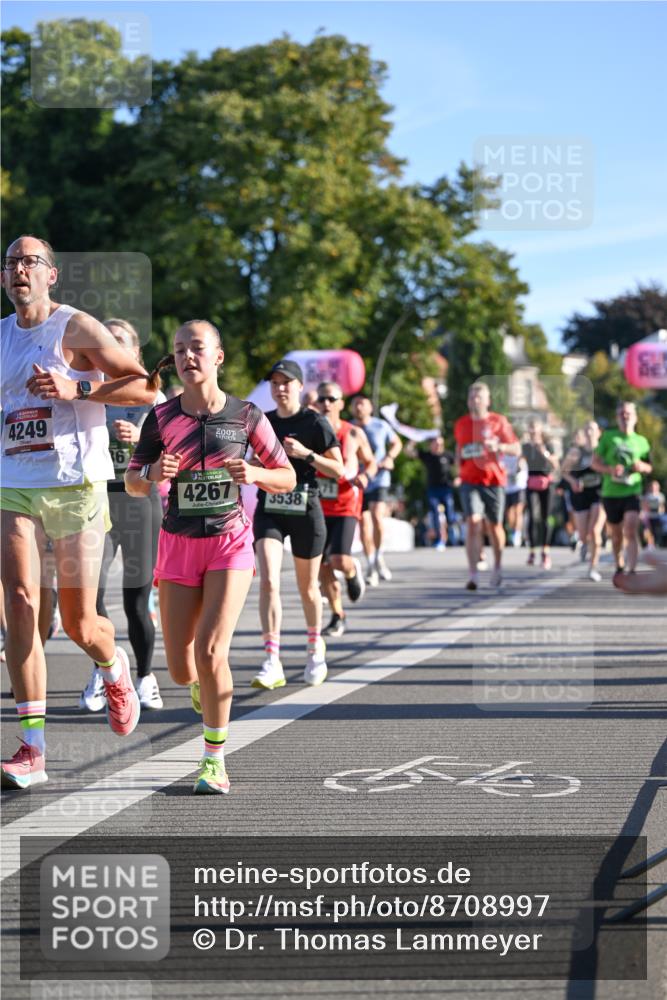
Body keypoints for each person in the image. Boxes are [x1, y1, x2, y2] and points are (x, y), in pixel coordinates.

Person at [0, 234, 156, 790]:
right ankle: (32, 748)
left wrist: (78, 384)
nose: (20, 268)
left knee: (80, 623)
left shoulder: (76, 327)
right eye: (12, 261)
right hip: (14, 484)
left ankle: (113, 668)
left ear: (51, 275)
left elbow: (144, 388)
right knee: (19, 604)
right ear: (3, 277)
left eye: (31, 261)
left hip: (75, 486)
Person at [126, 321, 294, 794]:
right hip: (178, 544)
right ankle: (201, 683)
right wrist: (153, 471)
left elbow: (288, 478)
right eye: (179, 350)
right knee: (181, 668)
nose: (187, 357)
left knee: (211, 651)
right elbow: (133, 481)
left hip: (230, 542)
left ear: (218, 356)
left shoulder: (247, 416)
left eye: (197, 348)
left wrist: (257, 473)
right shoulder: (160, 419)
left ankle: (213, 760)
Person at [79, 318, 166, 714]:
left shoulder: (153, 397)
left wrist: (143, 442)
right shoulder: (89, 391)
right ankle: (107, 670)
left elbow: (178, 455)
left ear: (135, 353)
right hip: (96, 502)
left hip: (138, 503)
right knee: (90, 599)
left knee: (136, 601)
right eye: (105, 341)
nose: (110, 347)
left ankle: (146, 677)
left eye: (119, 341)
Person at [252, 361, 343, 690]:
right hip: (271, 509)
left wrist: (306, 454)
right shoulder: (264, 422)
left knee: (307, 588)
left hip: (306, 508)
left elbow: (339, 470)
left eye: (286, 382)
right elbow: (252, 461)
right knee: (269, 581)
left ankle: (314, 648)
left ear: (300, 387)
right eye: (274, 383)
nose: (279, 388)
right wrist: (251, 466)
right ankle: (271, 659)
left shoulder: (315, 422)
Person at [315, 381, 377, 637]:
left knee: (338, 559)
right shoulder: (310, 431)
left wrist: (366, 476)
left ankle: (352, 571)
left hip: (345, 504)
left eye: (331, 399)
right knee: (321, 565)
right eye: (322, 399)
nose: (326, 403)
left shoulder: (353, 433)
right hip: (316, 504)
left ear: (341, 403)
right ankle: (338, 614)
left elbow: (370, 462)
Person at [453, 381, 520, 590]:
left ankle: (497, 567)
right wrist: (458, 465)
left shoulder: (498, 422)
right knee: (473, 522)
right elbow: (460, 449)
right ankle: (473, 575)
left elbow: (516, 448)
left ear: (487, 400)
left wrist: (499, 445)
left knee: (495, 526)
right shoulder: (461, 424)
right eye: (471, 396)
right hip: (469, 480)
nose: (474, 400)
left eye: (478, 396)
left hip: (494, 480)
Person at [592, 401, 652, 576]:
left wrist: (641, 466)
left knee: (631, 529)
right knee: (616, 535)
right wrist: (610, 470)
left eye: (628, 414)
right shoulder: (609, 437)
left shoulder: (642, 441)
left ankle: (632, 570)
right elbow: (594, 463)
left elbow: (649, 467)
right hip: (611, 492)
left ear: (635, 418)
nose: (625, 417)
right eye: (622, 414)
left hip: (632, 491)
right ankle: (619, 563)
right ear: (617, 418)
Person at [350, 394, 402, 586]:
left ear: (370, 407)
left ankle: (379, 556)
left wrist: (390, 457)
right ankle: (371, 564)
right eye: (355, 405)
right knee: (364, 524)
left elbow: (397, 443)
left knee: (378, 518)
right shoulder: (349, 428)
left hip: (379, 478)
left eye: (362, 404)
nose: (359, 408)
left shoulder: (381, 425)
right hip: (358, 481)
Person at [561, 420, 606, 582]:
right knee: (583, 534)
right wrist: (573, 481)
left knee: (595, 531)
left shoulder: (602, 450)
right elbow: (563, 471)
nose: (589, 432)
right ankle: (584, 544)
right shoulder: (576, 452)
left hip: (599, 493)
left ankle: (593, 567)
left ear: (598, 433)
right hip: (580, 494)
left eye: (593, 429)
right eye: (587, 429)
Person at [522, 419, 559, 570]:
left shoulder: (548, 445)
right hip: (531, 483)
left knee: (545, 517)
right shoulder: (525, 446)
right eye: (531, 430)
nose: (533, 433)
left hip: (546, 483)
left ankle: (545, 551)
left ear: (541, 431)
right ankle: (532, 551)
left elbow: (555, 465)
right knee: (531, 515)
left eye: (536, 430)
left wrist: (544, 452)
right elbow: (519, 460)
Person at [412, 435, 457, 550]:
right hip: (433, 489)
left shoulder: (448, 455)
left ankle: (452, 539)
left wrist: (458, 478)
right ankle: (438, 539)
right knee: (435, 513)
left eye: (440, 444)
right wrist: (413, 440)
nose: (438, 446)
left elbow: (459, 465)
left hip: (446, 488)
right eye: (436, 444)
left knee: (450, 513)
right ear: (431, 445)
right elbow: (409, 452)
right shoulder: (428, 456)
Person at [501, 451, 528, 547]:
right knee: (509, 514)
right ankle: (513, 531)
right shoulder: (502, 455)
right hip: (507, 488)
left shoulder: (520, 454)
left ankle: (517, 534)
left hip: (519, 487)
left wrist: (518, 464)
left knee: (518, 511)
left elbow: (522, 465)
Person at [641, 479, 665, 548]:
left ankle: (657, 544)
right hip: (649, 516)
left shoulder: (661, 495)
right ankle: (650, 544)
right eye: (652, 486)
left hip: (658, 516)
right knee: (648, 531)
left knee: (657, 531)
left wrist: (660, 510)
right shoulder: (647, 496)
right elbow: (644, 505)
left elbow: (662, 506)